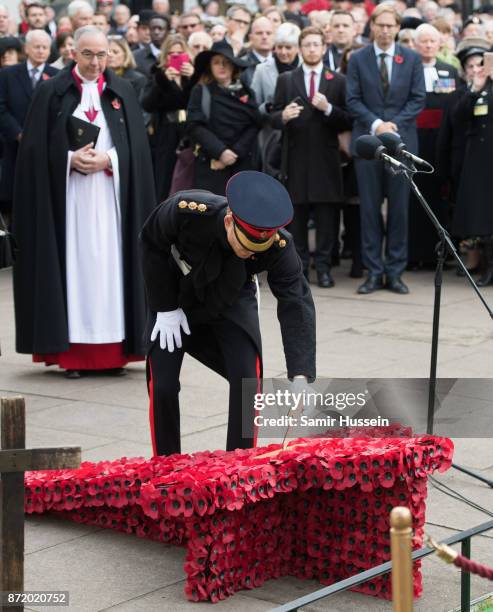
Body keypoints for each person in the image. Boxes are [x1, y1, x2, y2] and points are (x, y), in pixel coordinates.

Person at [11, 26, 155, 376]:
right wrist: (68, 160)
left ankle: (114, 353)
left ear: (110, 54)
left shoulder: (123, 91)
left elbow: (137, 149)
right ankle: (72, 354)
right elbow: (32, 152)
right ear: (73, 53)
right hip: (69, 200)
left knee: (111, 268)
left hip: (111, 200)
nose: (95, 62)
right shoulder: (51, 93)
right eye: (88, 54)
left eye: (101, 54)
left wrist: (111, 160)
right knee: (73, 268)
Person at [140, 170, 316, 455]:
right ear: (228, 222)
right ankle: (166, 467)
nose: (247, 254)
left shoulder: (281, 246)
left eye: (254, 251)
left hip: (231, 297)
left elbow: (296, 303)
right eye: (243, 246)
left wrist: (300, 375)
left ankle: (240, 467)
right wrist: (165, 307)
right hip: (175, 297)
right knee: (163, 386)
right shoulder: (189, 210)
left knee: (248, 383)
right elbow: (150, 241)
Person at [346, 3, 426, 294]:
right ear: (372, 27)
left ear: (397, 28)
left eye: (390, 25)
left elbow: (417, 99)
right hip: (368, 145)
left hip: (401, 143)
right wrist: (377, 124)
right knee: (369, 211)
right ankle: (373, 272)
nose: (385, 30)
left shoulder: (412, 58)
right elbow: (352, 99)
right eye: (380, 24)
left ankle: (394, 272)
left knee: (399, 212)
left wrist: (392, 125)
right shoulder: (358, 58)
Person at [272, 26, 352, 288]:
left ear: (324, 48)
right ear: (300, 48)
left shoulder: (337, 80)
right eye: (307, 45)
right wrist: (282, 116)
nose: (311, 49)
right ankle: (300, 268)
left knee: (327, 219)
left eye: (316, 44)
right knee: (297, 219)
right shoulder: (286, 79)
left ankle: (325, 268)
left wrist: (328, 108)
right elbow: (271, 116)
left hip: (326, 161)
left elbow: (348, 119)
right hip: (295, 159)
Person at [407, 23, 460, 269]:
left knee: (438, 199)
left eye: (432, 41)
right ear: (415, 45)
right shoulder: (408, 70)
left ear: (440, 44)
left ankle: (437, 255)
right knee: (414, 199)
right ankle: (413, 254)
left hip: (440, 143)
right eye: (423, 41)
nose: (428, 45)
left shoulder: (449, 71)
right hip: (415, 140)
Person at [187, 39, 261, 195]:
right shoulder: (201, 91)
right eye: (217, 62)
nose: (222, 66)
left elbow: (255, 123)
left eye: (226, 62)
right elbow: (195, 126)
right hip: (212, 162)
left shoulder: (246, 92)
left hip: (241, 164)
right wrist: (220, 152)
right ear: (210, 66)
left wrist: (235, 152)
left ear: (233, 65)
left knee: (242, 212)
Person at [0, 30, 57, 219]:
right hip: (14, 147)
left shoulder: (57, 76)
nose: (41, 51)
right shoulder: (8, 74)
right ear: (26, 48)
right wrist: (18, 133)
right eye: (37, 47)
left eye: (45, 47)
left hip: (45, 148)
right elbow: (2, 108)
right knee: (14, 201)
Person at [450, 43, 493, 286]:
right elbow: (458, 118)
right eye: (473, 65)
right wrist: (475, 89)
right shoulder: (475, 89)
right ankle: (487, 266)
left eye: (483, 64)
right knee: (483, 215)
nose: (478, 69)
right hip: (479, 160)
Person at [142, 34, 194, 201]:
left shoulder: (194, 74)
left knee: (188, 177)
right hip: (166, 131)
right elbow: (147, 104)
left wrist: (194, 77)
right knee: (165, 177)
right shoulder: (157, 74)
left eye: (180, 52)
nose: (177, 56)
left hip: (190, 131)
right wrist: (163, 80)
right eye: (172, 53)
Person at [251, 21, 300, 114]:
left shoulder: (305, 68)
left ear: (297, 48)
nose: (283, 52)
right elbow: (253, 106)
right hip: (272, 125)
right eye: (279, 47)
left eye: (288, 47)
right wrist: (267, 107)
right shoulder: (262, 70)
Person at [241, 16, 274, 87]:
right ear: (250, 37)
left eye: (268, 33)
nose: (264, 37)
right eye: (259, 33)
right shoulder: (241, 65)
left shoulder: (282, 62)